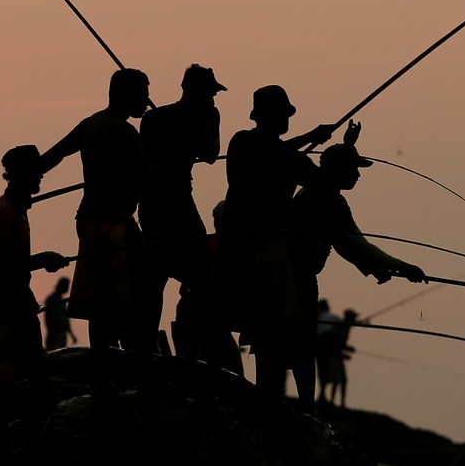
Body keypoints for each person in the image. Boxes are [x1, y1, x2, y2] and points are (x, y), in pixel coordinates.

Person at [215, 84, 335, 410]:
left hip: (254, 255)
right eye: (283, 114)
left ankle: (268, 406)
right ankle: (273, 408)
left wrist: (322, 147)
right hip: (262, 256)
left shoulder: (266, 150)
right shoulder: (249, 144)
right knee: (272, 338)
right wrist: (315, 139)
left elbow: (308, 173)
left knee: (270, 338)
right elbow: (276, 158)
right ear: (269, 116)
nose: (287, 120)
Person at [138, 64, 241, 374]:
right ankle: (191, 350)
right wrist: (192, 133)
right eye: (211, 92)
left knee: (155, 279)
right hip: (177, 202)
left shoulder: (154, 118)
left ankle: (147, 350)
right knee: (200, 276)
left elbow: (145, 159)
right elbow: (210, 154)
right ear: (196, 91)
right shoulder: (207, 116)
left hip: (151, 204)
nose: (214, 97)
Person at [41, 68, 151, 352]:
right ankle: (119, 360)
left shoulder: (91, 123)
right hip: (111, 224)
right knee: (125, 296)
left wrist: (31, 173)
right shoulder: (126, 133)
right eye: (143, 94)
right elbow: (145, 178)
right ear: (129, 96)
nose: (148, 100)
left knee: (102, 298)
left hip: (91, 219)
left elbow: (55, 154)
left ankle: (107, 359)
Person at [289, 121, 427, 320]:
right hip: (293, 280)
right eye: (353, 168)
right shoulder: (322, 201)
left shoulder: (326, 198)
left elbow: (344, 245)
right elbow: (356, 244)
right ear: (340, 170)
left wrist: (372, 268)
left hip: (299, 276)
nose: (358, 174)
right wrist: (403, 267)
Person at [0, 145, 68, 385]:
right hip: (7, 305)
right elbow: (2, 266)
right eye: (35, 172)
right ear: (19, 175)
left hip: (17, 300)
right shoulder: (4, 213)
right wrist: (43, 260)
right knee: (13, 375)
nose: (40, 176)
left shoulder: (15, 209)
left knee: (29, 370)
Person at [317, 307, 358, 408]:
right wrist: (347, 349)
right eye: (353, 318)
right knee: (338, 379)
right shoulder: (341, 327)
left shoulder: (344, 327)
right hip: (333, 356)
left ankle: (337, 402)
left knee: (339, 380)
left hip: (336, 355)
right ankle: (334, 402)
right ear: (349, 318)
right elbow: (336, 343)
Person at [43, 276, 75, 350]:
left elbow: (65, 319)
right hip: (54, 333)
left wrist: (71, 334)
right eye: (66, 286)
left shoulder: (62, 301)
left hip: (62, 333)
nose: (67, 288)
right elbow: (48, 316)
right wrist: (51, 332)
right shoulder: (51, 299)